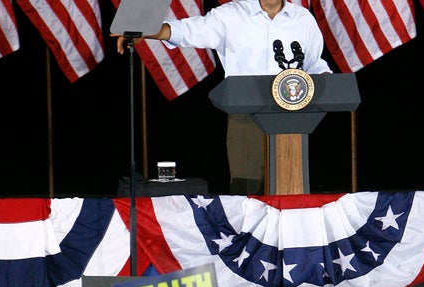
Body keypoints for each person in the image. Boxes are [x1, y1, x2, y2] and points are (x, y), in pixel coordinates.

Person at [112, 0, 332, 195]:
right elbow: (189, 30)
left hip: (292, 120)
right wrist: (147, 31)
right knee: (247, 191)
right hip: (247, 117)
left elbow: (314, 64)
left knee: (291, 191)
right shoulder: (232, 14)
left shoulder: (302, 19)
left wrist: (327, 82)